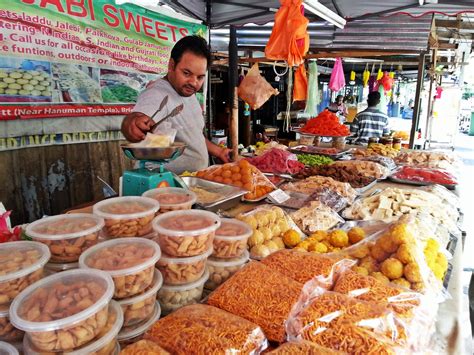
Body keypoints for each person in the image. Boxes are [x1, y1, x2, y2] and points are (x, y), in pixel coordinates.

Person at [121, 35, 231, 174]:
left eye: (200, 77)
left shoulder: (188, 93)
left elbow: (194, 136)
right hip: (163, 183)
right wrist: (132, 123)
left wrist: (219, 151)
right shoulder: (157, 93)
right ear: (171, 65)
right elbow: (137, 118)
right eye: (186, 73)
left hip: (192, 182)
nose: (194, 82)